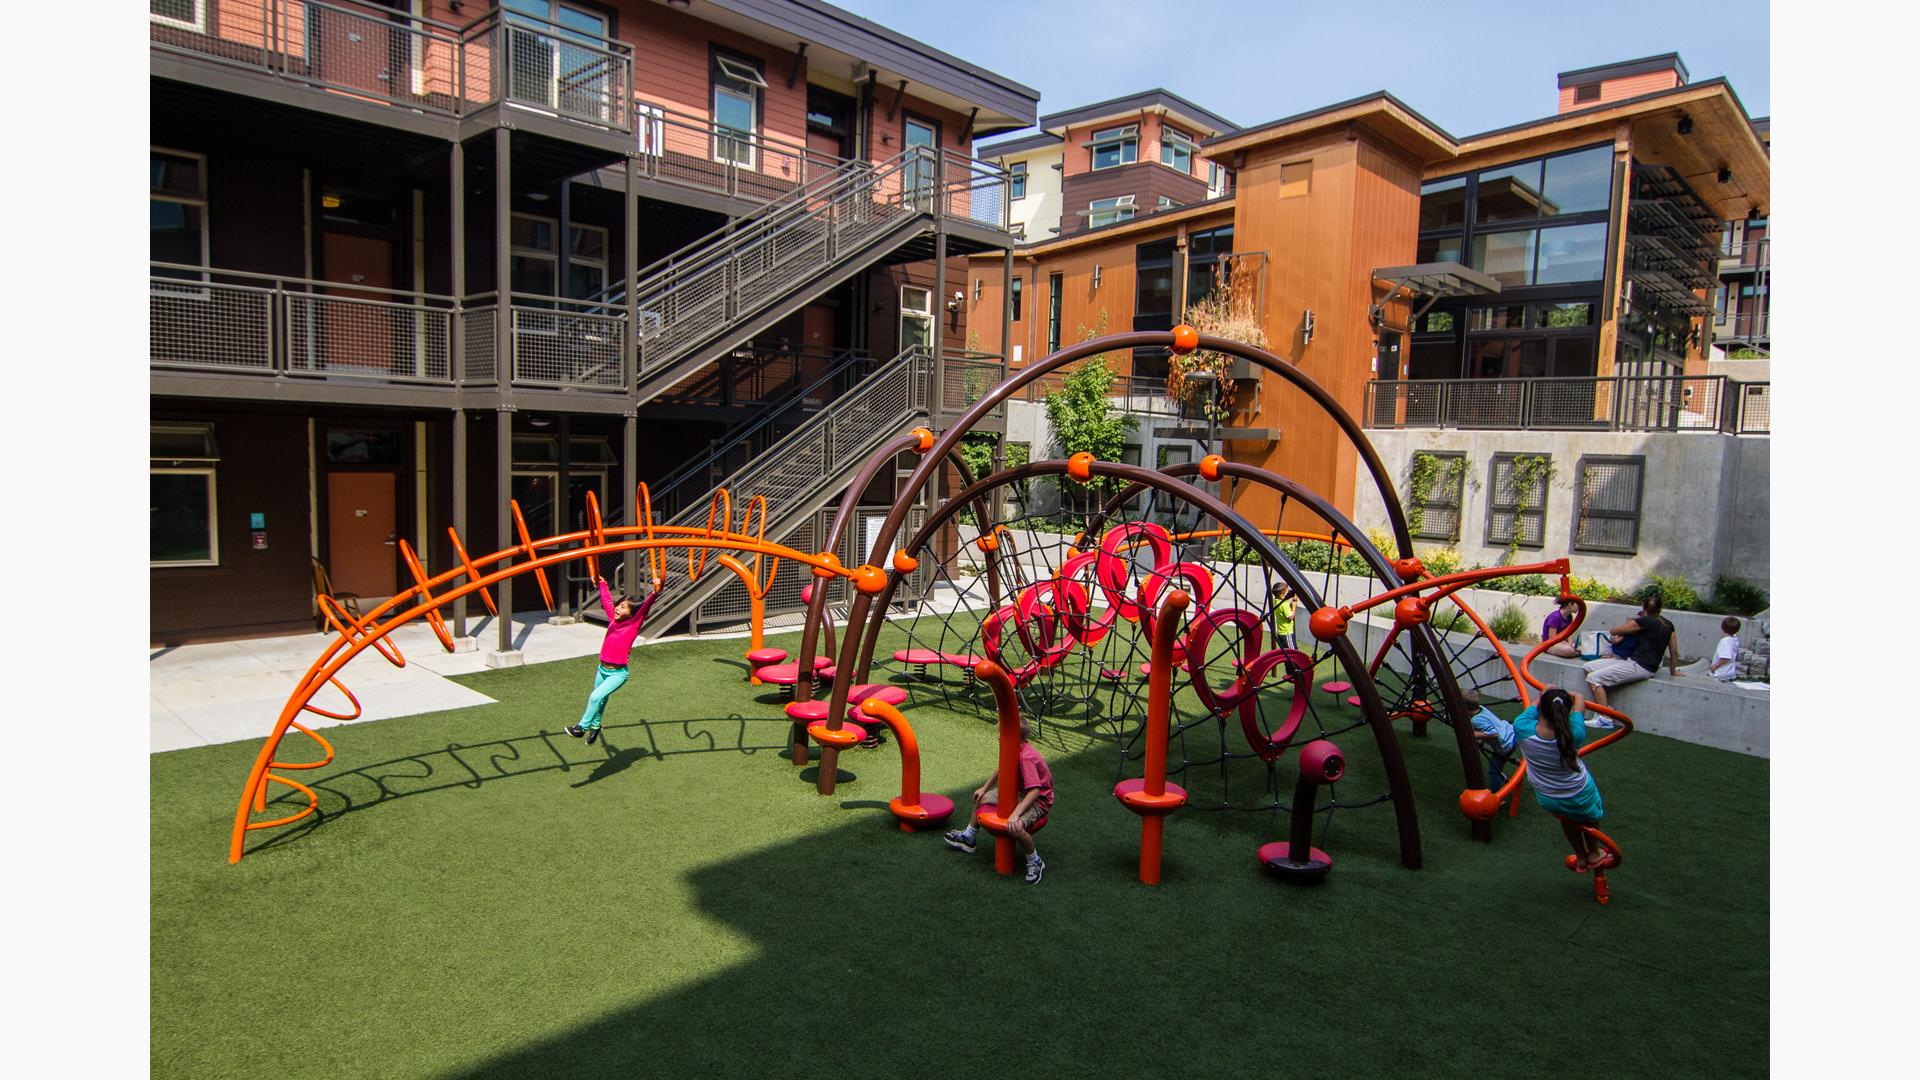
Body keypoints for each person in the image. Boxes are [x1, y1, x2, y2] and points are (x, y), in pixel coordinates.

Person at [1512, 687, 1613, 872]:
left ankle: (1581, 856)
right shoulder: (1574, 734)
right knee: (1590, 819)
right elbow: (1580, 700)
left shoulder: (1522, 727)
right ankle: (1593, 852)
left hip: (1548, 797)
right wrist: (1571, 696)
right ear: (1566, 712)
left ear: (1541, 708)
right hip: (1579, 792)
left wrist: (1546, 691)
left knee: (1568, 820)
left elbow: (1536, 703)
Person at [944, 718, 1054, 885]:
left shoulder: (1026, 757)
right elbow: (1002, 767)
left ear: (1013, 737)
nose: (998, 737)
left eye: (1001, 733)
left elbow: (1035, 791)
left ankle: (1035, 861)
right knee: (982, 798)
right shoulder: (1012, 747)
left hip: (1037, 800)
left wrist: (1015, 814)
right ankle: (969, 838)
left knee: (1015, 827)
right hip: (1019, 792)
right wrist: (984, 787)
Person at [566, 573, 663, 745]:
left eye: (624, 607)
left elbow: (644, 609)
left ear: (631, 613)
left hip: (617, 674)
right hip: (602, 669)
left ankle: (581, 727)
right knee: (601, 700)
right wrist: (603, 584)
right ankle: (595, 727)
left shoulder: (633, 624)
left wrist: (655, 593)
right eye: (620, 605)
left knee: (595, 697)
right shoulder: (613, 620)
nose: (618, 608)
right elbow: (607, 602)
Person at [1581, 590, 1682, 710]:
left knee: (1594, 678)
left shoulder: (1643, 621)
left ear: (1644, 608)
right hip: (1634, 662)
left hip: (1640, 666)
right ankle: (1604, 707)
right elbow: (1674, 650)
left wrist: (1630, 625)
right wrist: (1673, 671)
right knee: (1588, 667)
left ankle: (1604, 717)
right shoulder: (1669, 625)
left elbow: (1614, 631)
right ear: (1660, 609)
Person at [1461, 689, 1517, 788]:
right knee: (1497, 766)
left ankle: (1498, 795)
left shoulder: (1476, 720)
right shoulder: (1481, 708)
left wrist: (1474, 734)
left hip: (1505, 745)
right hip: (1511, 733)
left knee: (1493, 771)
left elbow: (1494, 733)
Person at [1709, 616, 1741, 682]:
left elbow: (1725, 658)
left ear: (1722, 628)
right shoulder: (1734, 639)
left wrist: (1714, 667)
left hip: (1721, 673)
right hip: (1730, 671)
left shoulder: (1725, 642)